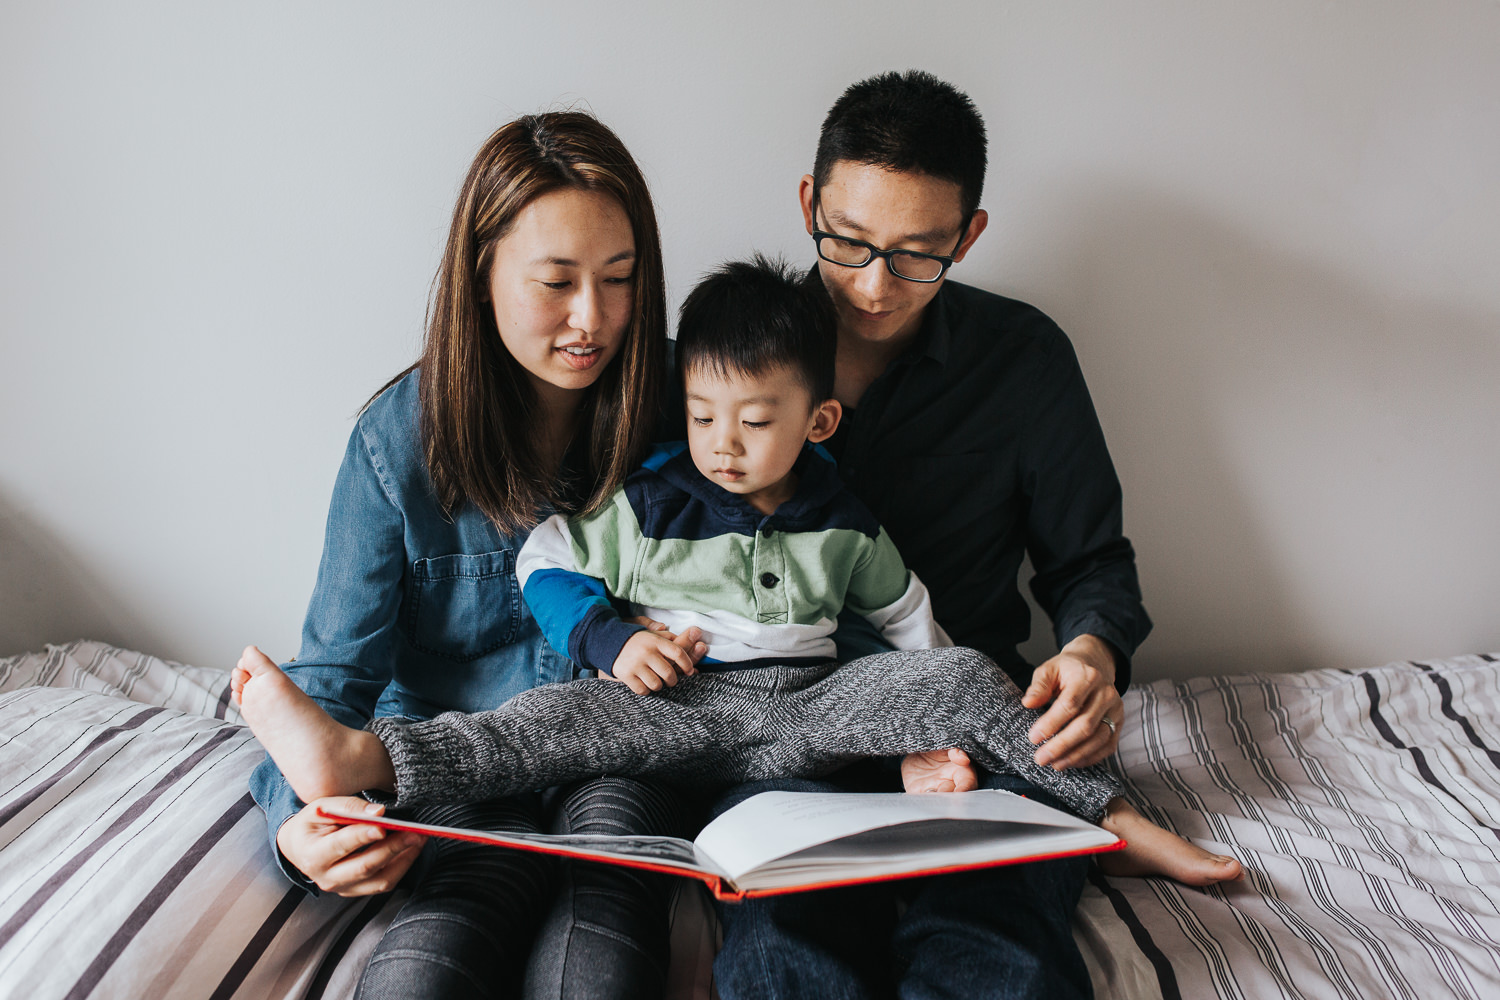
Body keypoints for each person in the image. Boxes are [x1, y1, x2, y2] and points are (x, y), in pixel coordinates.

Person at [233, 256, 1240, 886]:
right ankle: (358, 764)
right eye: (703, 417)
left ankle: (1119, 817)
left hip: (809, 704)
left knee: (971, 675)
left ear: (817, 422)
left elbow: (905, 616)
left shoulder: (841, 514)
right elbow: (545, 557)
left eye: (755, 424)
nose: (722, 443)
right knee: (538, 727)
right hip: (682, 705)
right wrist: (613, 639)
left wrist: (925, 716)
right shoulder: (656, 494)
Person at [705, 71, 1175, 1000]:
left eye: (920, 254)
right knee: (782, 949)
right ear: (810, 202)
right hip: (788, 727)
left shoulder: (1024, 357)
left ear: (969, 235)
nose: (875, 285)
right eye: (847, 242)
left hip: (973, 719)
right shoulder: (729, 350)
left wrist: (1091, 654)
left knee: (997, 954)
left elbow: (1093, 567)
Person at [244, 111, 699, 1000]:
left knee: (599, 956)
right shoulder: (397, 444)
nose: (592, 319)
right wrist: (300, 830)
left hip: (617, 763)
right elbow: (329, 686)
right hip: (453, 773)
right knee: (425, 967)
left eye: (619, 280)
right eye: (556, 282)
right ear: (482, 272)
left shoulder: (689, 408)